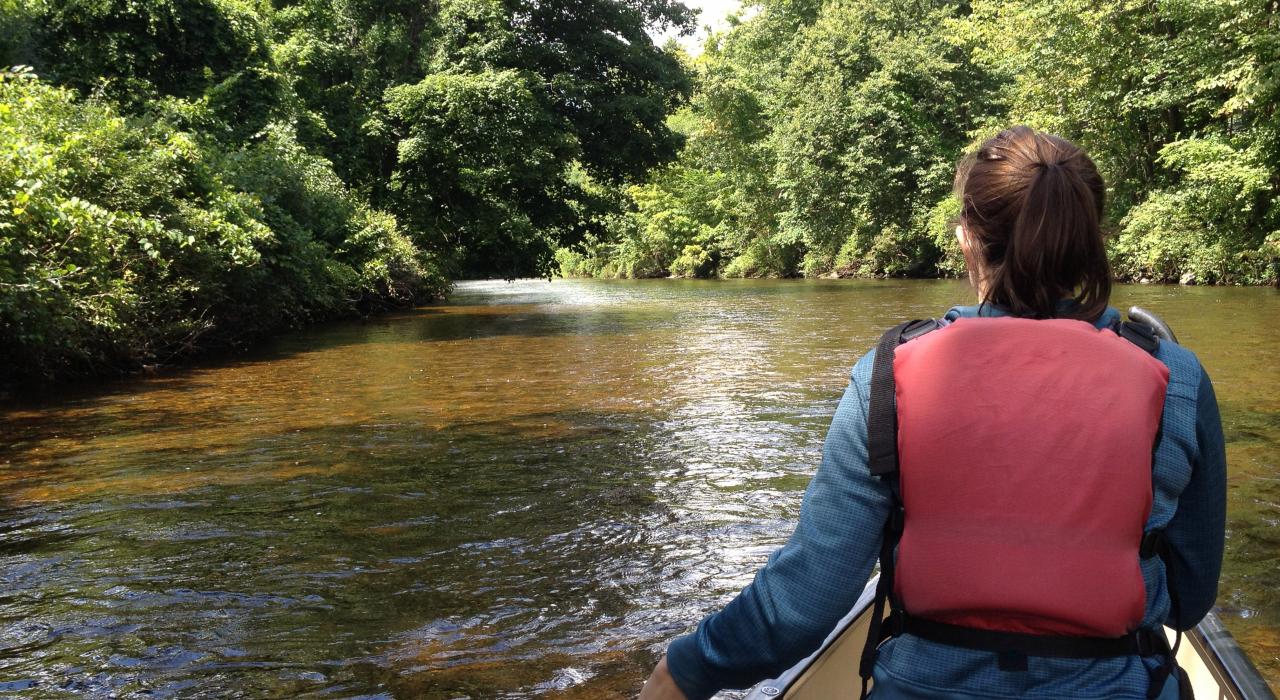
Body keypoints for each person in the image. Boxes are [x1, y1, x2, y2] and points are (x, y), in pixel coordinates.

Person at [639, 126, 1227, 700]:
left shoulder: (888, 374)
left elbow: (805, 602)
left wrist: (689, 668)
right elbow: (1188, 597)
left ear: (968, 236)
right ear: (1089, 236)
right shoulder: (1176, 378)